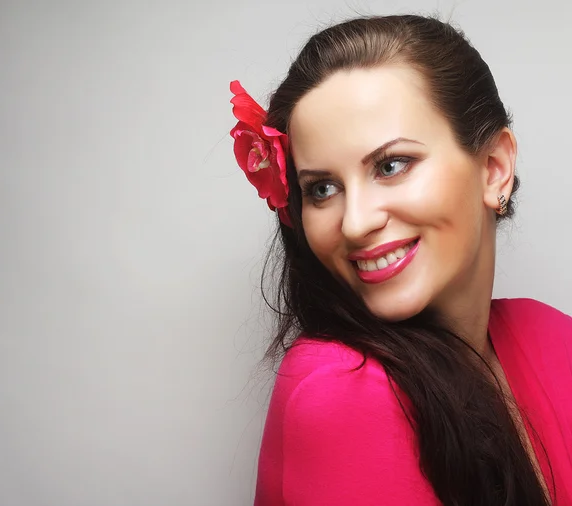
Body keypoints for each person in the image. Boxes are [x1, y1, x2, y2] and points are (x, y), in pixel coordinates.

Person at [229, 14, 572, 506]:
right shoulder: (342, 390)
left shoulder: (552, 339)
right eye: (322, 189)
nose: (354, 223)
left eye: (391, 166)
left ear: (494, 169)